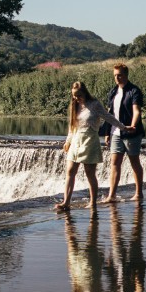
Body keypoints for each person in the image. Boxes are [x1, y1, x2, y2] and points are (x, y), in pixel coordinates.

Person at [55, 80, 122, 211]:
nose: (76, 98)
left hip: (90, 140)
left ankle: (93, 202)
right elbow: (72, 126)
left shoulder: (94, 104)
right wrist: (68, 141)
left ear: (85, 93)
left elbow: (109, 117)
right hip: (76, 140)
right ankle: (66, 202)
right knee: (70, 171)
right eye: (74, 95)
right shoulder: (74, 105)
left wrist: (123, 127)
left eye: (78, 95)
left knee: (90, 173)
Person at [102, 63, 145, 204]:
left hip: (132, 133)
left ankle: (138, 193)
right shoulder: (113, 92)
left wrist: (133, 125)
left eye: (119, 75)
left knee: (134, 162)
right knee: (114, 163)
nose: (117, 77)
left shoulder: (134, 91)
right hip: (115, 133)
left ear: (126, 75)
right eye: (115, 75)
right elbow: (110, 114)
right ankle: (111, 195)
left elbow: (137, 110)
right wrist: (107, 132)